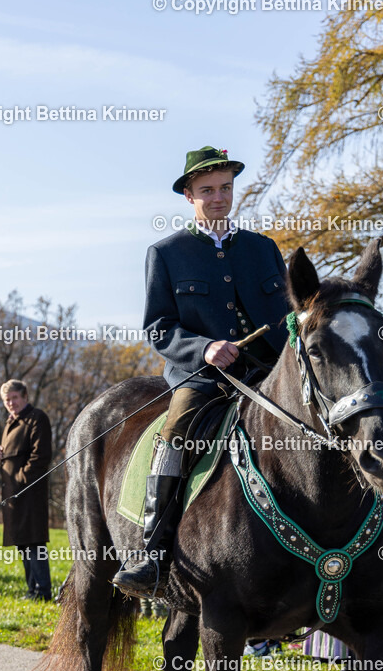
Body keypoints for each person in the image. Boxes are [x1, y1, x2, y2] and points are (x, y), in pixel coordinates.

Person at [113, 145, 290, 595]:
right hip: (204, 380)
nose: (218, 198)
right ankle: (153, 555)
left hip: (269, 376)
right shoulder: (167, 253)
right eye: (207, 190)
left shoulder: (263, 249)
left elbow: (290, 316)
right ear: (188, 195)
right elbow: (158, 328)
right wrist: (205, 347)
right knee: (177, 433)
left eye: (226, 188)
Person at [0, 379, 53, 601]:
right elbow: (13, 454)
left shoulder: (37, 418)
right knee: (22, 542)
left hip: (30, 492)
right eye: (7, 400)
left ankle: (43, 591)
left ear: (25, 397)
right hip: (14, 494)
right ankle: (31, 590)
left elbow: (41, 456)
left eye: (14, 398)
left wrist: (20, 478)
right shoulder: (10, 422)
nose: (11, 403)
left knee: (34, 541)